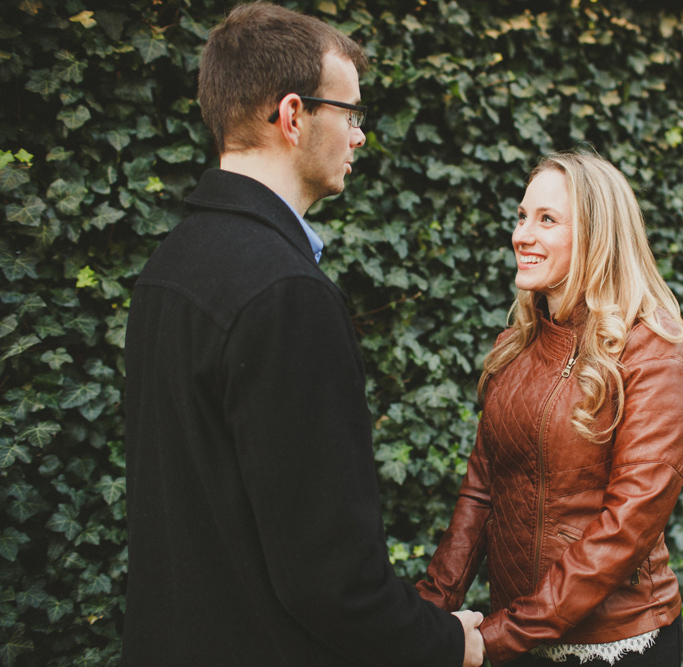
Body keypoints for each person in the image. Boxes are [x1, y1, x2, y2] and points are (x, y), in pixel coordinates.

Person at [122, 3, 483, 665]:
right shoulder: (286, 294)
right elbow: (331, 578)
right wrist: (450, 640)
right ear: (293, 116)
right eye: (349, 113)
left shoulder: (167, 270)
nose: (360, 135)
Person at [417, 152, 683, 666]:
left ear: (599, 235)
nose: (522, 235)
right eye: (522, 216)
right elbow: (481, 492)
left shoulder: (655, 351)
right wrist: (429, 612)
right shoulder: (516, 347)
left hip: (613, 645)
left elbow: (626, 527)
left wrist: (502, 635)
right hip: (517, 635)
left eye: (547, 220)